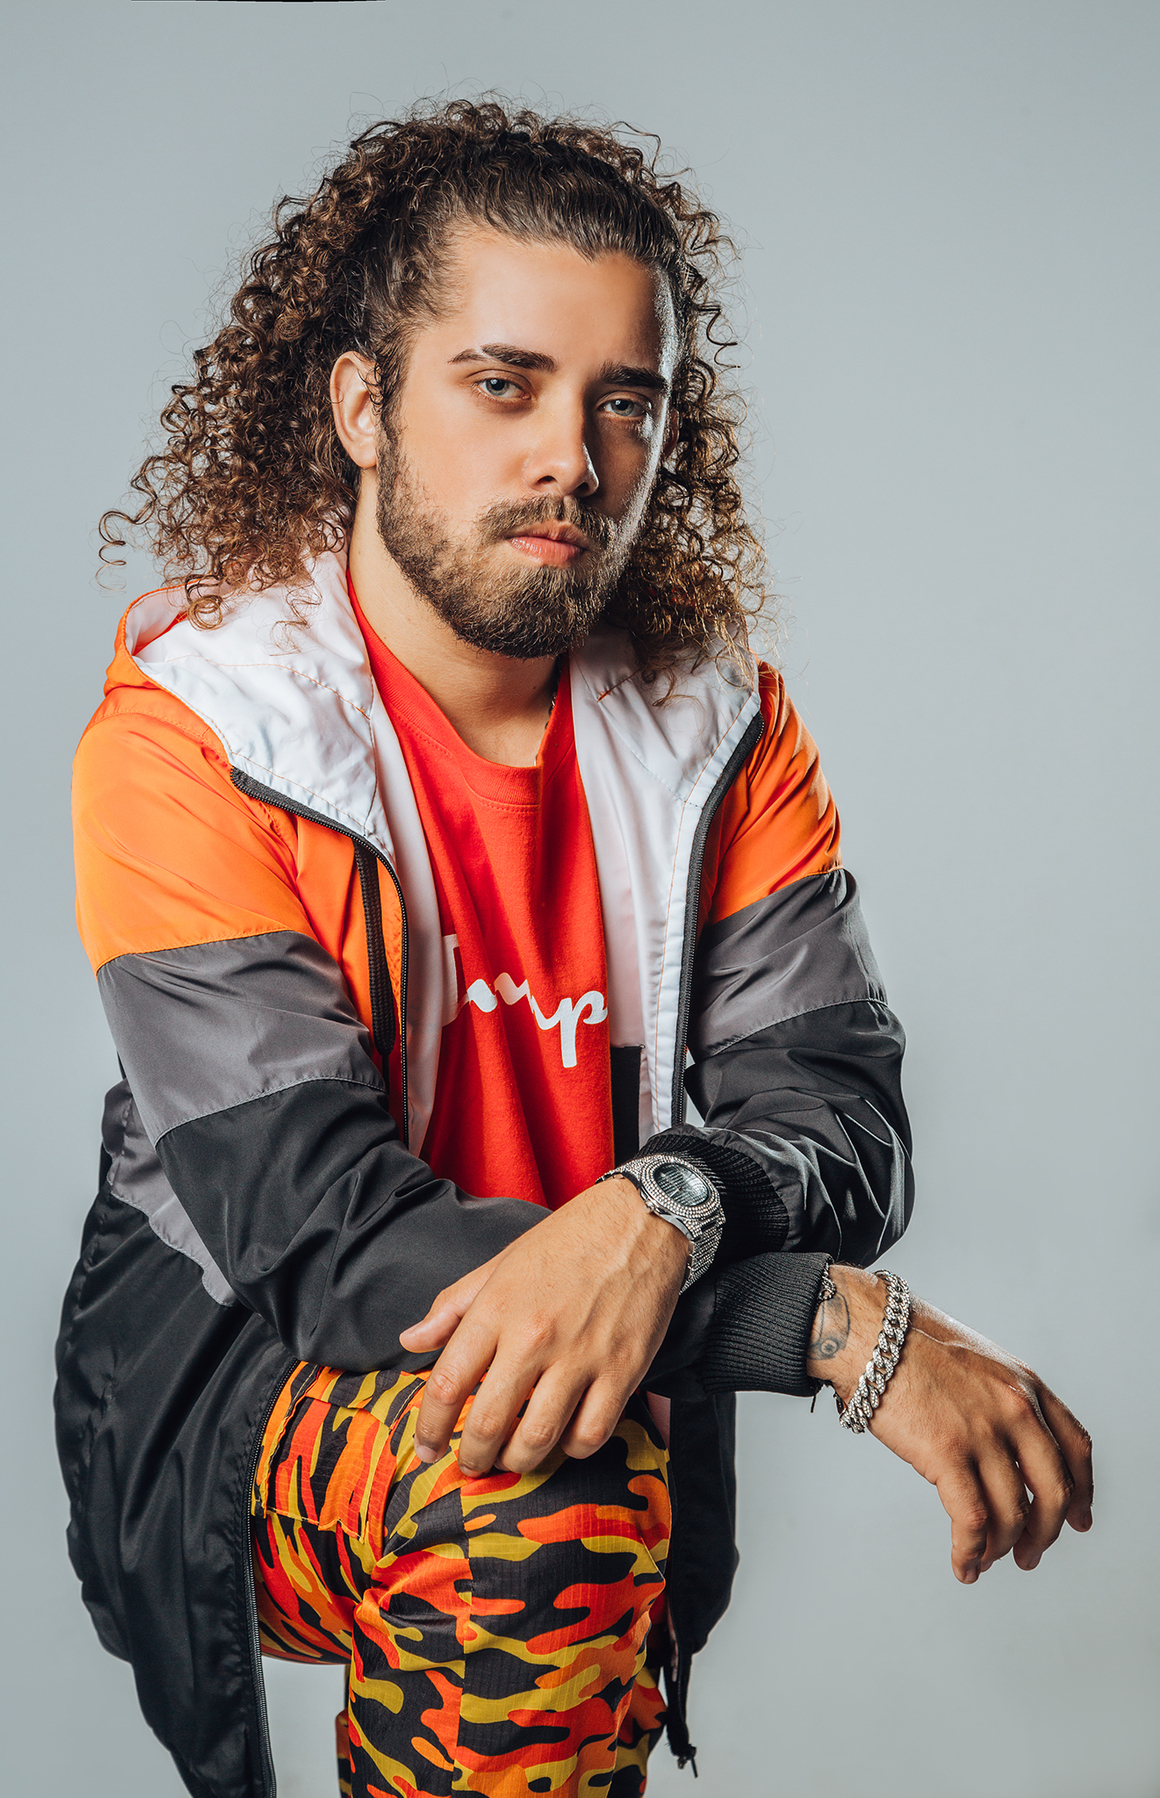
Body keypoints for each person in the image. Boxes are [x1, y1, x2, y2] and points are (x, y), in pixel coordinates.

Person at [55, 100, 1093, 1798]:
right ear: (363, 408)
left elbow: (841, 1113)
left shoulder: (716, 731)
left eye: (626, 401)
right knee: (533, 1485)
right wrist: (820, 1322)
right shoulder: (197, 735)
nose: (574, 459)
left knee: (563, 1485)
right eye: (504, 384)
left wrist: (662, 1208)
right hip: (248, 1395)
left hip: (608, 1393)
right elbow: (323, 1237)